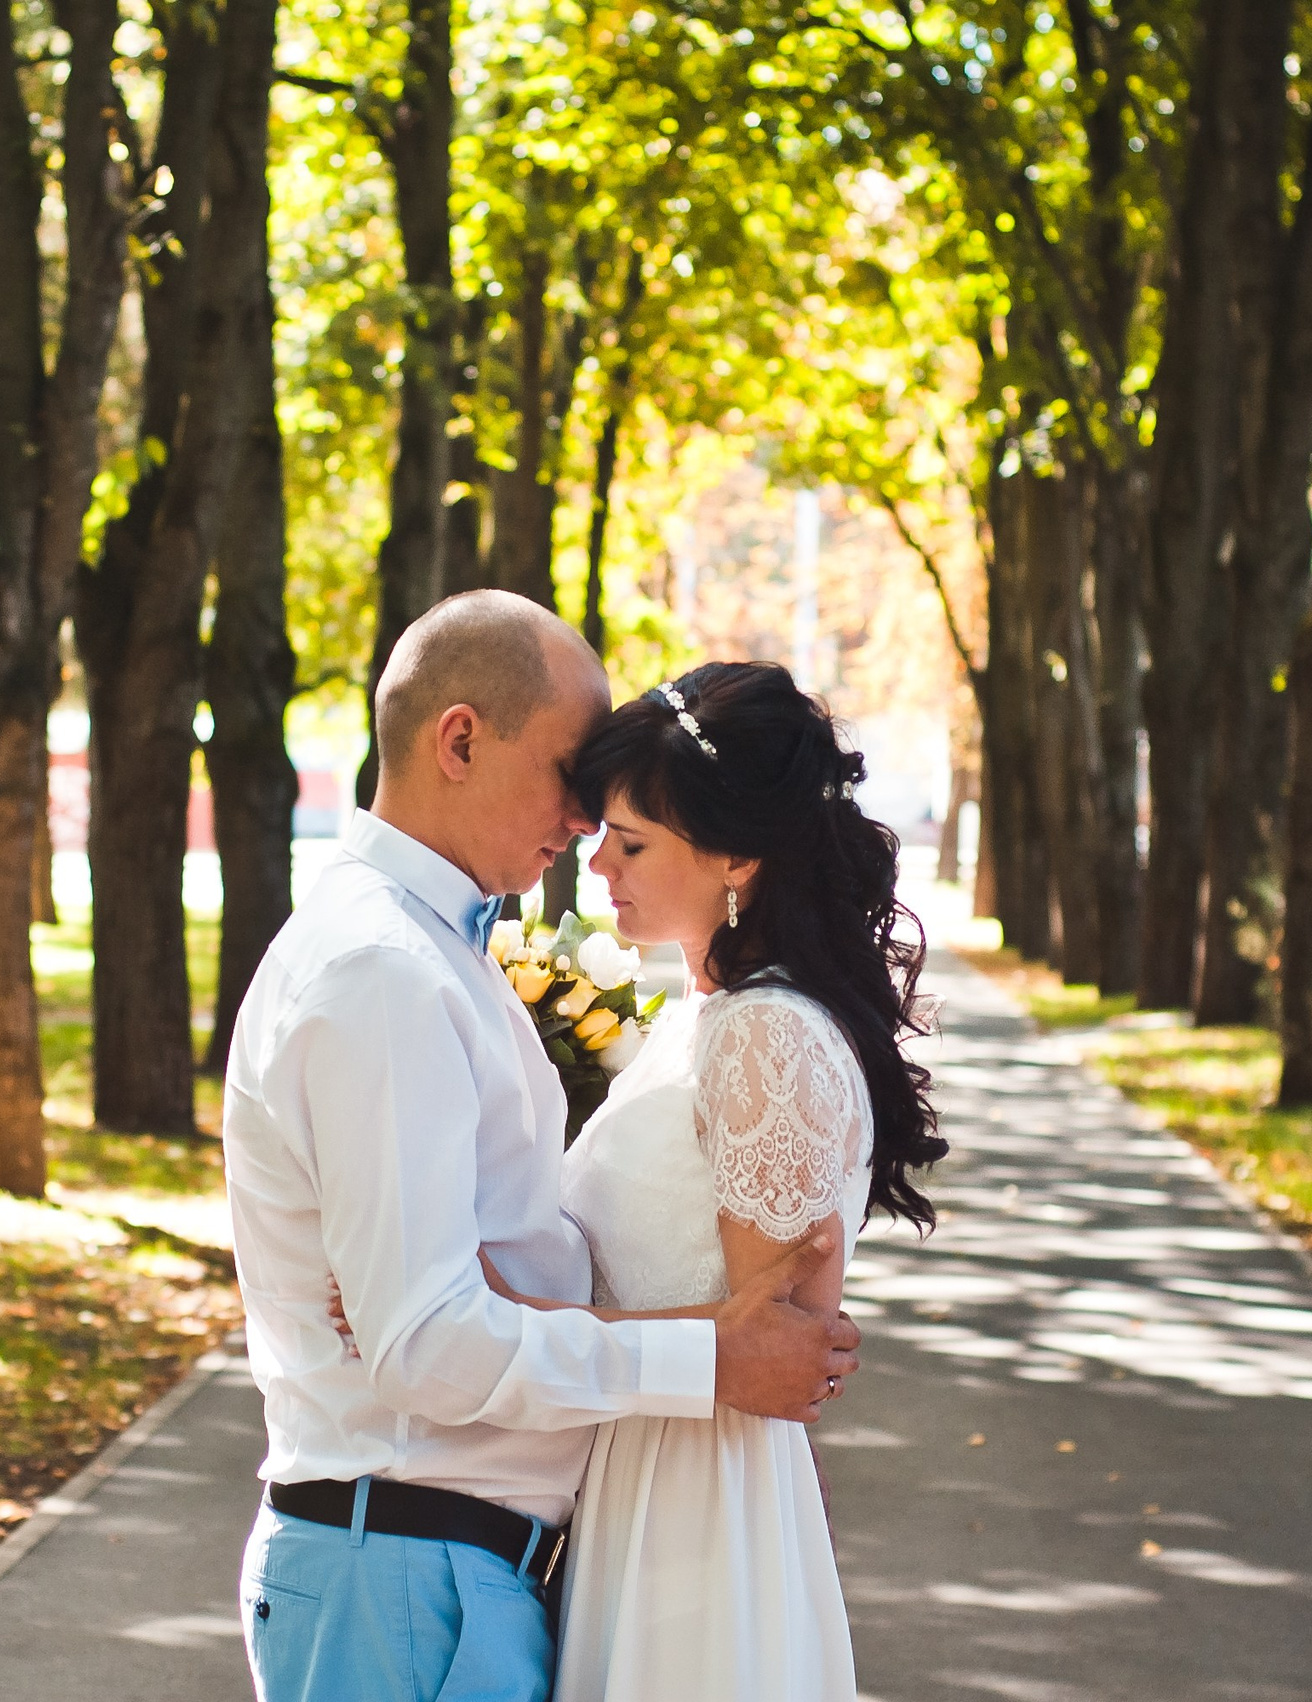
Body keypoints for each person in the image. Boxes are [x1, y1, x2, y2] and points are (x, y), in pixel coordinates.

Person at [221, 593, 861, 1702]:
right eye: (570, 776)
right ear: (460, 738)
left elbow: (450, 1301)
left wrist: (505, 1290)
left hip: (461, 1571)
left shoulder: (432, 954)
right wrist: (710, 1354)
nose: (580, 820)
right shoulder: (383, 969)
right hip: (407, 1572)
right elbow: (424, 1346)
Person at [492, 659, 947, 1701]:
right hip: (647, 1468)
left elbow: (772, 1349)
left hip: (692, 1496)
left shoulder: (761, 1035)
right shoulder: (705, 1020)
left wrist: (508, 1314)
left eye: (632, 841)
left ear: (737, 853)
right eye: (601, 831)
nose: (597, 861)